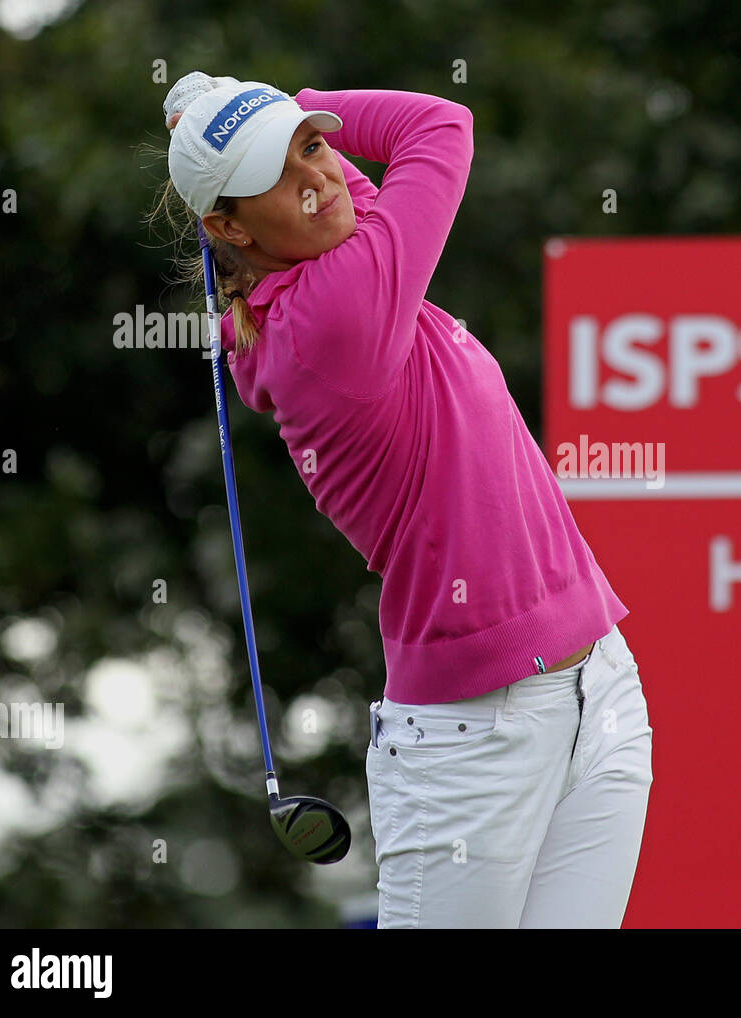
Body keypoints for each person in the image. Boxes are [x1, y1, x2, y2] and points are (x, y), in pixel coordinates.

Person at [150, 72, 653, 928]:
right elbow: (441, 124)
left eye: (315, 146)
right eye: (276, 174)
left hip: (601, 690)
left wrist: (271, 121)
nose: (316, 177)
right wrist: (296, 98)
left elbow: (343, 184)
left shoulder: (343, 259)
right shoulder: (337, 316)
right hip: (471, 743)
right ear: (227, 227)